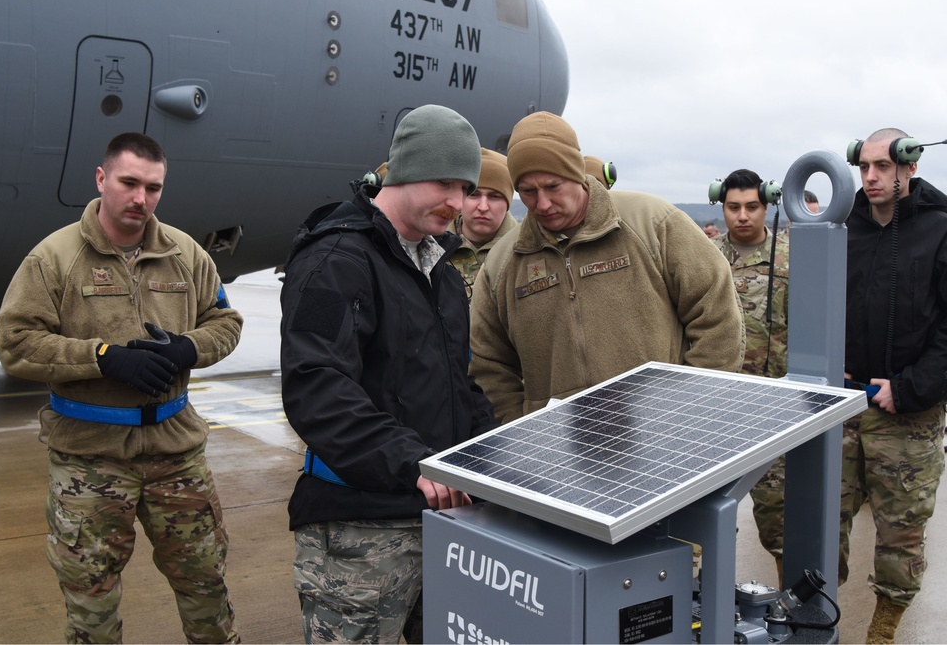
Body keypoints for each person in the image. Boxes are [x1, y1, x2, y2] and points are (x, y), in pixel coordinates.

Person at [0, 132, 243, 643]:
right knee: (90, 600)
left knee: (206, 585)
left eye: (153, 188)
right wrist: (101, 358)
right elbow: (15, 343)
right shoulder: (54, 258)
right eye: (129, 183)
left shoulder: (185, 254)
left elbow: (226, 321)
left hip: (177, 453)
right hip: (90, 458)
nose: (141, 199)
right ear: (102, 179)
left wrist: (187, 349)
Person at [280, 104, 498, 643]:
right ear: (402, 170)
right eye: (444, 182)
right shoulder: (335, 259)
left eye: (466, 187)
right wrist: (413, 463)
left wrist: (494, 451)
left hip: (445, 521)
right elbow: (316, 382)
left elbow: (453, 381)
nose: (459, 203)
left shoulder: (440, 271)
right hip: (362, 532)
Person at [469, 111, 744, 425]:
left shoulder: (652, 222)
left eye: (553, 186)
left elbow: (717, 313)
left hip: (663, 436)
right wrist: (522, 432)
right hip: (558, 454)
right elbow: (489, 364)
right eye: (528, 192)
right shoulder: (503, 262)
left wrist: (691, 407)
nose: (542, 203)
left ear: (577, 173)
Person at [842, 127, 947, 643]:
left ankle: (883, 631)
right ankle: (808, 617)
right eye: (864, 167)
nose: (871, 177)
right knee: (814, 518)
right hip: (842, 405)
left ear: (910, 165)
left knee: (900, 534)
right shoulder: (848, 227)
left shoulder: (940, 228)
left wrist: (909, 389)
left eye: (882, 166)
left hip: (908, 412)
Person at [710, 169, 789, 583]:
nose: (742, 216)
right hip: (714, 410)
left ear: (767, 206)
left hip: (771, 411)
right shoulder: (703, 256)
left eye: (752, 207)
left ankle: (794, 611)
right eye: (733, 207)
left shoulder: (789, 259)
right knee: (704, 521)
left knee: (780, 523)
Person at [448, 147, 519, 300]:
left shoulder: (525, 248)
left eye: (494, 196)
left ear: (508, 203)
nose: (483, 207)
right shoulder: (433, 245)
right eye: (474, 195)